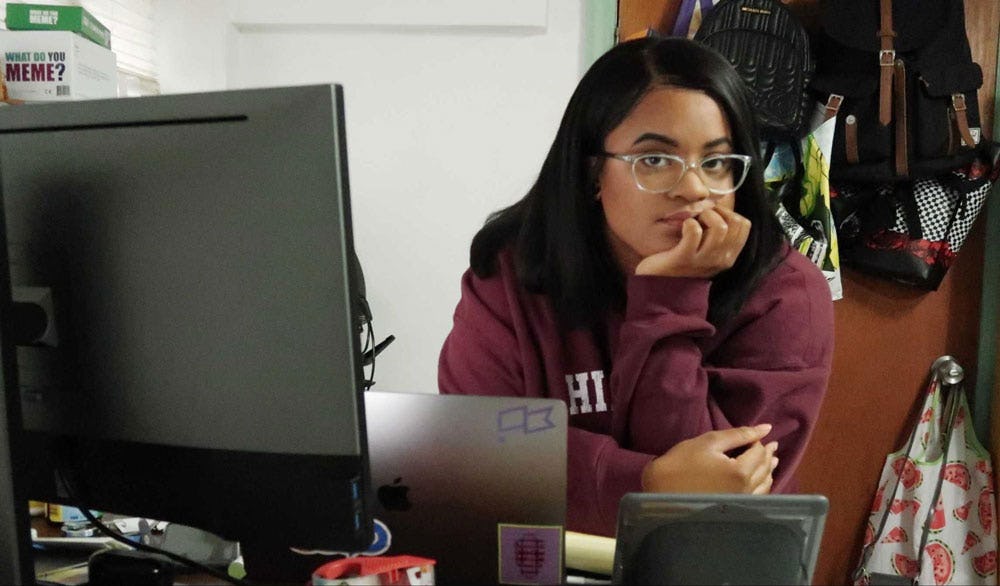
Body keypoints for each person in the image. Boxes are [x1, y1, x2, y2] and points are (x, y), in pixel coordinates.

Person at [437, 36, 834, 537]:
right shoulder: (513, 274)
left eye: (716, 162)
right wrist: (647, 481)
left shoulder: (786, 294)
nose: (694, 188)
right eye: (654, 160)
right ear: (592, 173)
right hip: (538, 561)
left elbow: (719, 507)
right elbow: (477, 456)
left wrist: (671, 298)